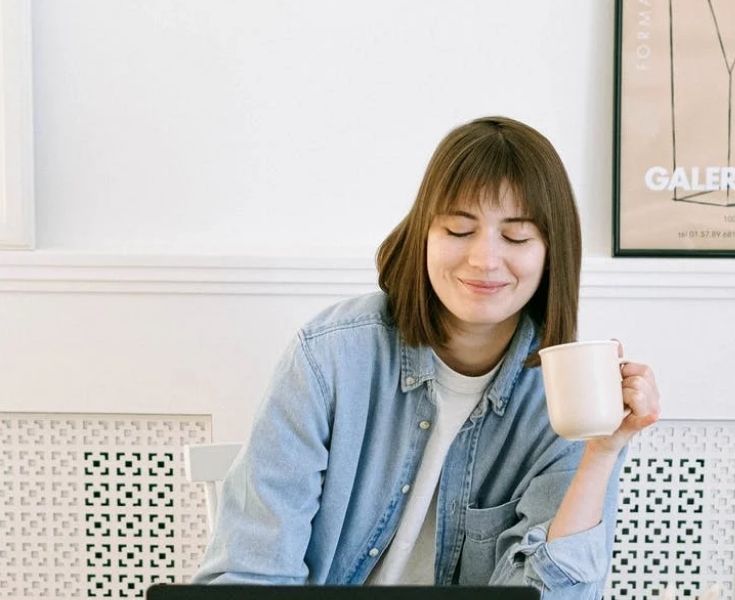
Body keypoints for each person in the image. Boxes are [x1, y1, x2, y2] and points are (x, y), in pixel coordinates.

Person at [193, 116, 661, 597]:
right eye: (459, 229)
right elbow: (250, 576)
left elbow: (556, 594)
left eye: (517, 237)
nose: (484, 259)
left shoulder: (566, 394)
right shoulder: (330, 356)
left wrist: (601, 455)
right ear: (424, 234)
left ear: (550, 254)